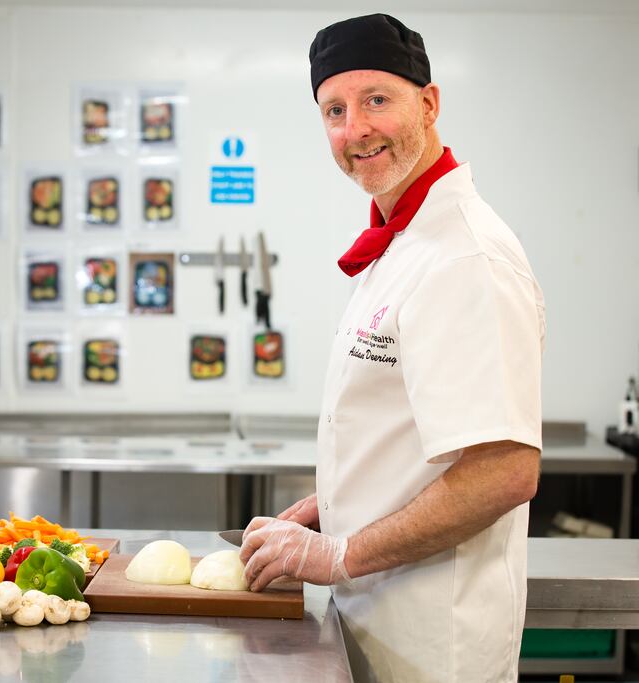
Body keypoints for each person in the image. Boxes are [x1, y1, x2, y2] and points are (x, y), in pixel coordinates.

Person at [239, 14, 546, 683]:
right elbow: (407, 432)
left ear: (428, 103)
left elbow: (503, 470)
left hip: (436, 645)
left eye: (377, 99)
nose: (356, 130)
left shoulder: (466, 254)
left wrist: (335, 552)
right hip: (377, 627)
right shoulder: (403, 245)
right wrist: (338, 502)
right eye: (334, 110)